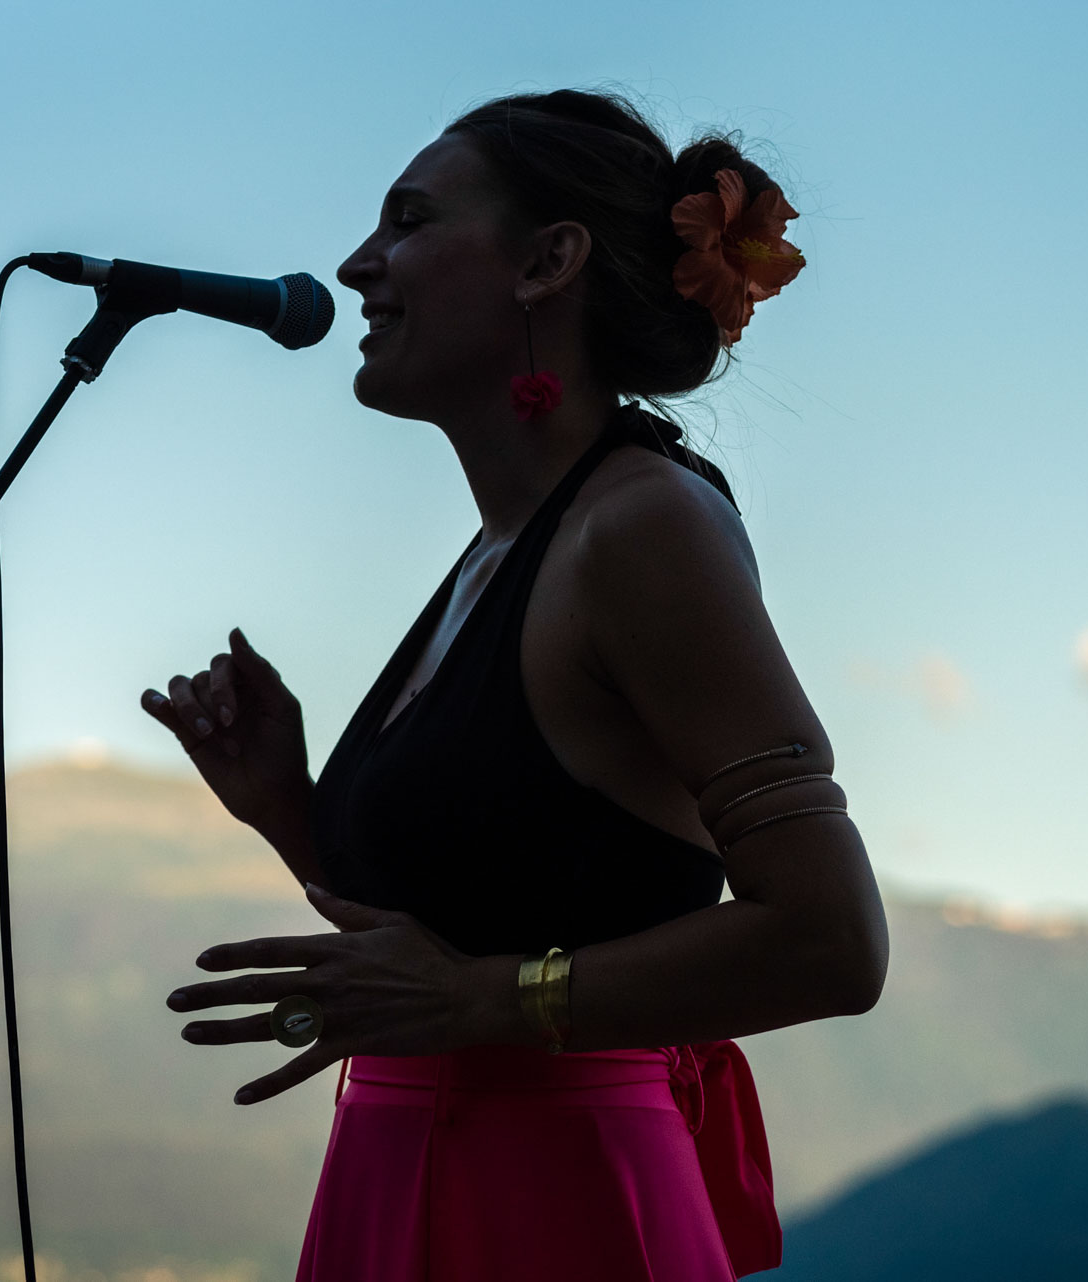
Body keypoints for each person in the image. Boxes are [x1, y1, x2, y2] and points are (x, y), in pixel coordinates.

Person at [142, 88, 890, 1281]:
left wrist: (488, 1004)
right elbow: (457, 947)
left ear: (550, 261)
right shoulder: (501, 553)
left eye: (409, 220)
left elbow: (834, 943)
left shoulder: (642, 526)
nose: (359, 263)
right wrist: (285, 804)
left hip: (563, 1200)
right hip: (401, 1179)